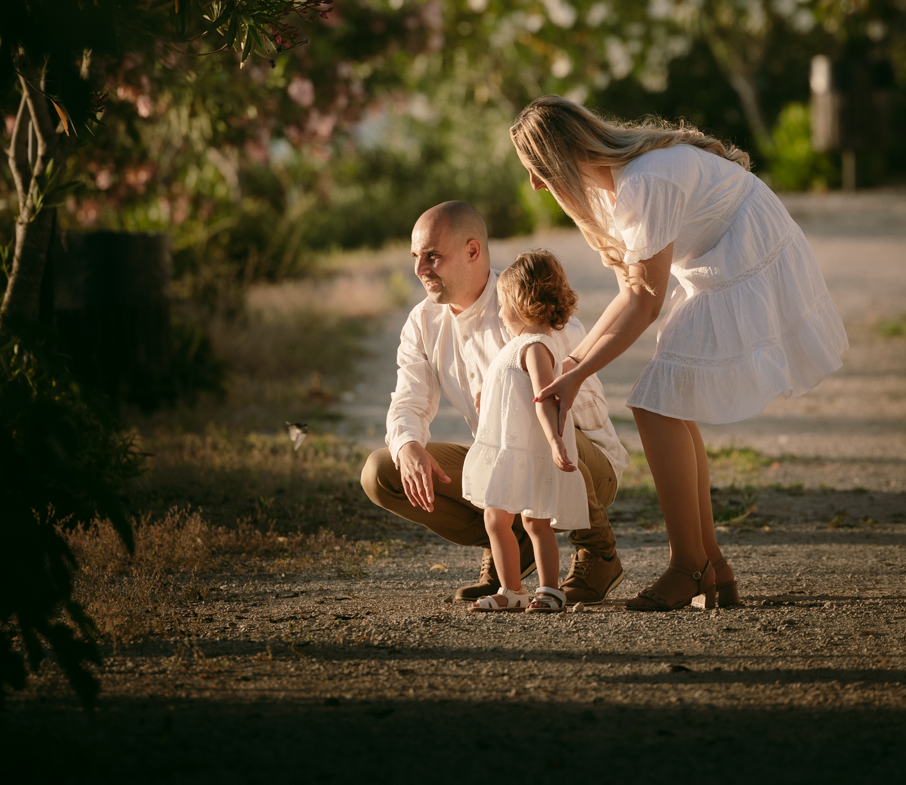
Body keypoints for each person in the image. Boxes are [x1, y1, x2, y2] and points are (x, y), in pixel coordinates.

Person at [510, 96, 848, 612]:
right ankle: (710, 565)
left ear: (561, 155)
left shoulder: (645, 181)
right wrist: (572, 364)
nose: (535, 183)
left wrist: (576, 375)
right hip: (716, 261)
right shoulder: (611, 188)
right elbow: (629, 293)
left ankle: (689, 564)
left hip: (744, 255)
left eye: (536, 168)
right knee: (667, 400)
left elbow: (645, 304)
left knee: (656, 402)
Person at [360, 201, 629, 605]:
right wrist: (408, 445)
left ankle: (598, 551)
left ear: (472, 250)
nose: (419, 269)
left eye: (432, 256)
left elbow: (567, 404)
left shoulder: (526, 304)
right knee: (382, 471)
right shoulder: (422, 321)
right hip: (509, 461)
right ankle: (511, 548)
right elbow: (407, 399)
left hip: (581, 460)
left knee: (548, 418)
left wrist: (511, 395)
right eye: (415, 257)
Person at [462, 250, 589, 612]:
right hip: (510, 450)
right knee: (495, 517)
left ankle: (549, 590)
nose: (500, 313)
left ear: (521, 304)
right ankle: (512, 589)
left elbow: (544, 398)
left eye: (502, 304)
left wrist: (555, 441)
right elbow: (513, 387)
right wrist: (488, 393)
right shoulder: (520, 346)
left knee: (535, 521)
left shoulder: (535, 347)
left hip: (530, 451)